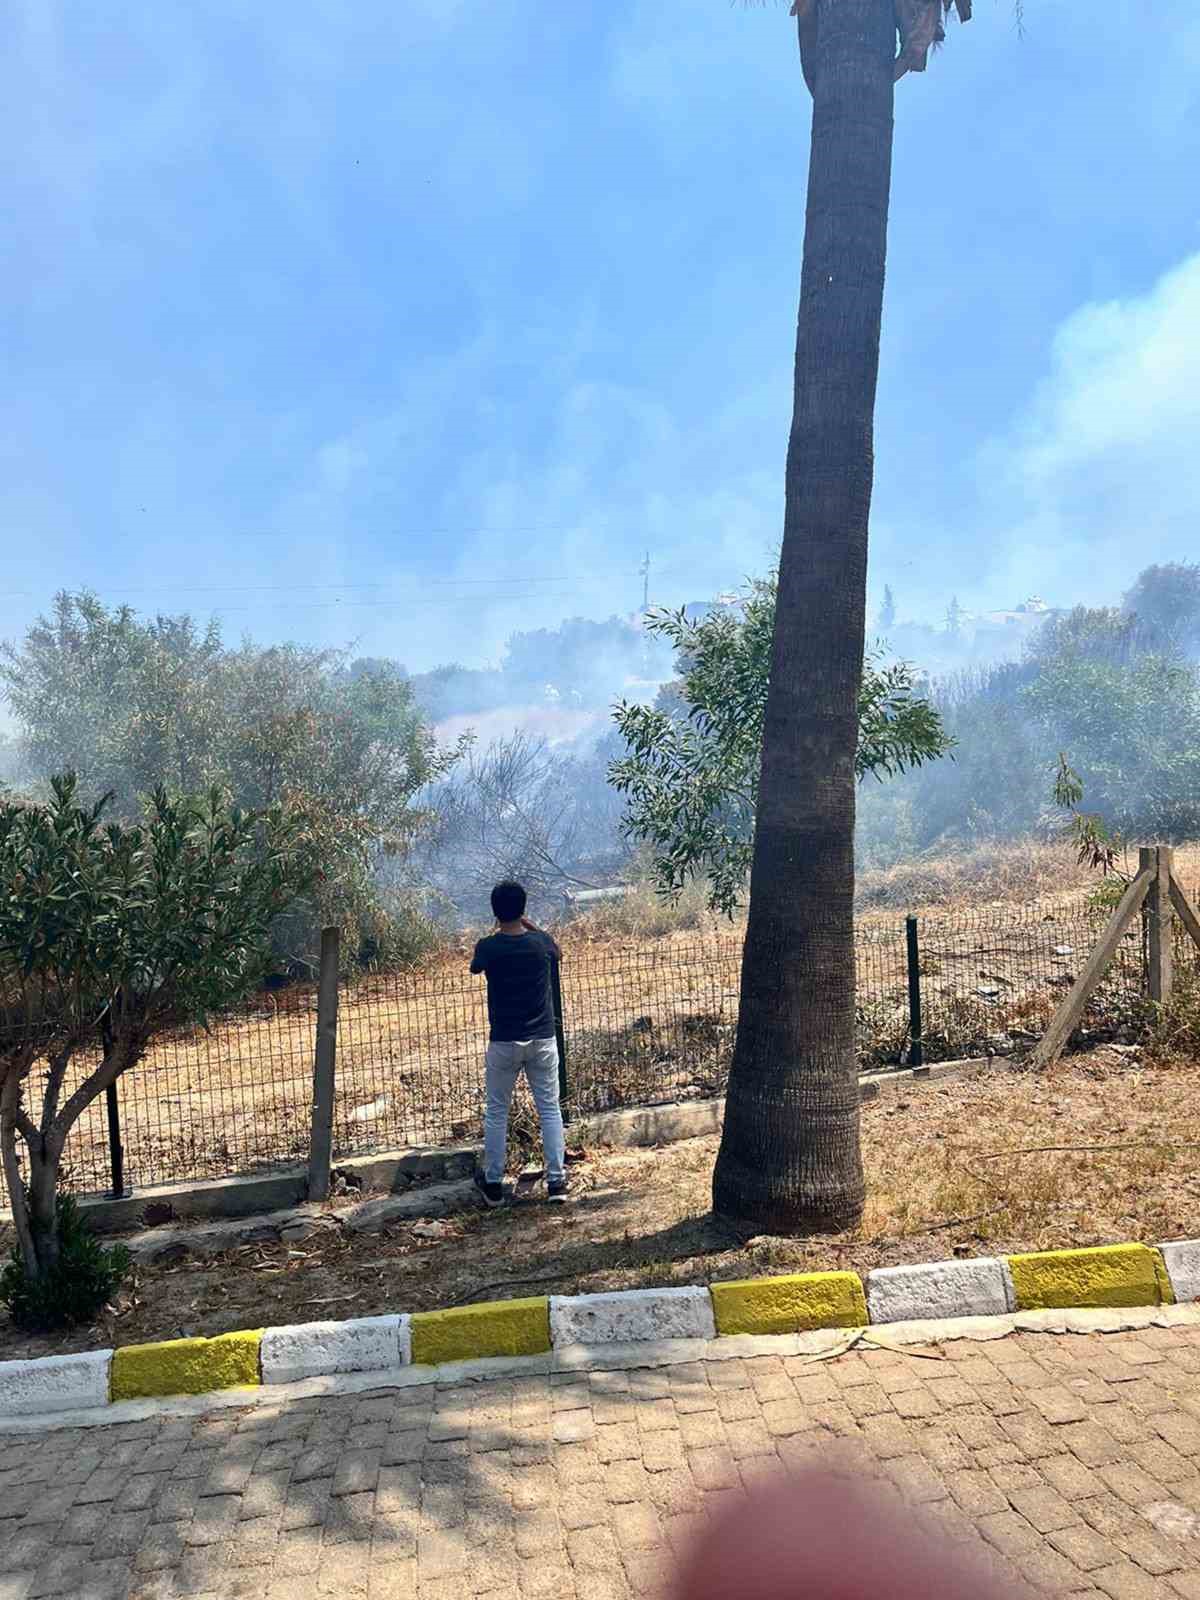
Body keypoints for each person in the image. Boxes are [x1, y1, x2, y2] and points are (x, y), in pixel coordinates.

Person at [468, 880, 568, 1207]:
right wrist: (530, 924)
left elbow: (475, 967)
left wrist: (501, 927)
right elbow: (558, 951)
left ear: (495, 912)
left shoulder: (488, 947)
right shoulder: (540, 943)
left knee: (497, 1112)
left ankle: (494, 1184)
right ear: (523, 909)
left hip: (504, 1042)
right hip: (542, 1039)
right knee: (550, 1109)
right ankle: (557, 1182)